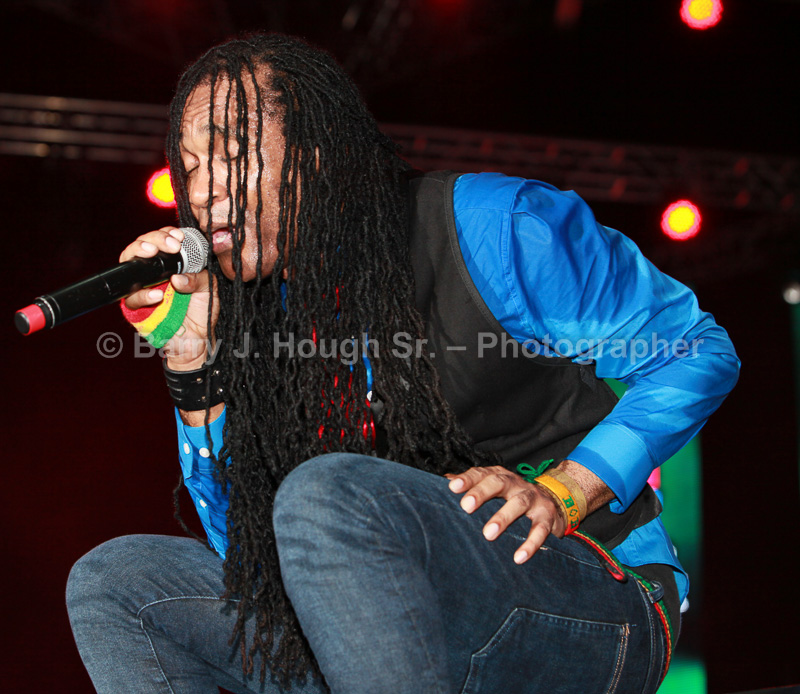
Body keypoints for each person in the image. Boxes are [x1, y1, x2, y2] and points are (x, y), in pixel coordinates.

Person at [65, 33, 739, 694]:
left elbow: (695, 349)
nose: (203, 190)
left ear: (315, 155)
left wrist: (569, 489)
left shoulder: (488, 226)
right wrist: (194, 363)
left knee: (324, 493)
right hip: (388, 628)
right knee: (118, 583)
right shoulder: (257, 317)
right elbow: (249, 557)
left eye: (231, 153)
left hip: (589, 593)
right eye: (189, 168)